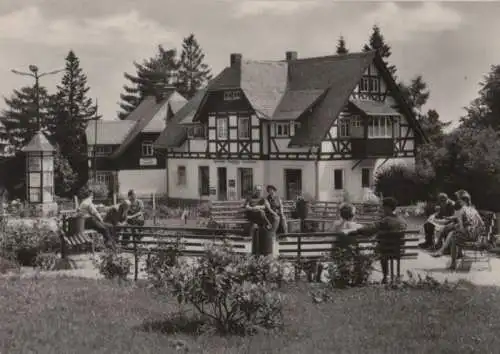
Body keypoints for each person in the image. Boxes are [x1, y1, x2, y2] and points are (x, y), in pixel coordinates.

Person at [346, 197, 407, 284]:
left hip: (385, 250)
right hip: (399, 250)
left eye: (383, 207)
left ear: (387, 208)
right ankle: (391, 277)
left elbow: (371, 229)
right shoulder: (402, 221)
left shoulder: (386, 220)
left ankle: (382, 276)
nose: (382, 209)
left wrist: (357, 231)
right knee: (382, 249)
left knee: (370, 252)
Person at [432, 190, 485, 269]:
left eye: (460, 200)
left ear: (463, 201)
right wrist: (478, 233)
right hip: (475, 235)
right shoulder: (473, 210)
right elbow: (482, 224)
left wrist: (459, 229)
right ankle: (442, 250)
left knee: (453, 238)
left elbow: (461, 228)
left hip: (468, 235)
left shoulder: (461, 210)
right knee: (452, 233)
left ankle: (452, 263)